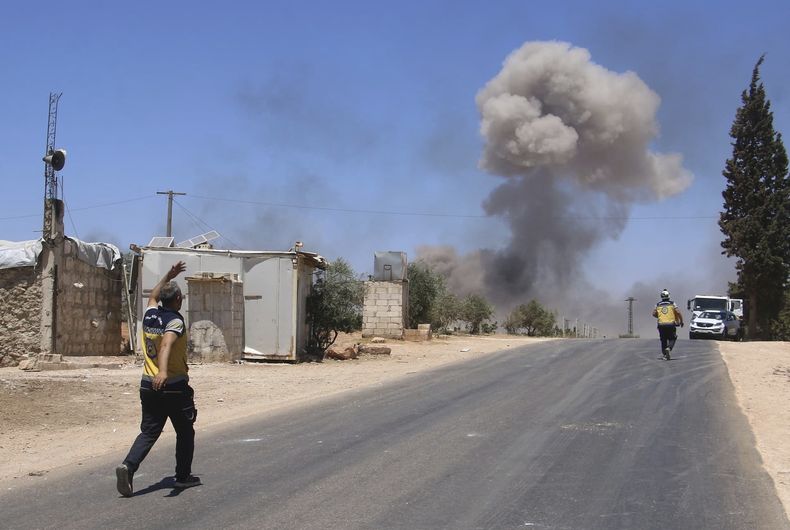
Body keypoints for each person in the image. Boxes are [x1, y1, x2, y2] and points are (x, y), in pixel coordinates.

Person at [116, 261, 201, 497]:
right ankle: (182, 477)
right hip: (172, 386)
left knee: (150, 432)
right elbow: (166, 345)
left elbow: (153, 296)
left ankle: (128, 466)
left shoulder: (151, 315)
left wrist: (168, 275)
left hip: (147, 385)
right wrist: (163, 372)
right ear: (178, 300)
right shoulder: (175, 321)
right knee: (185, 431)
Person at [652, 289, 684, 360]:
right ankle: (669, 348)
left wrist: (660, 316)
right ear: (669, 296)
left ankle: (665, 355)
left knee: (663, 340)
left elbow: (653, 314)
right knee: (673, 338)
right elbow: (678, 312)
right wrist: (681, 321)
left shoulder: (657, 304)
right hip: (670, 324)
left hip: (661, 325)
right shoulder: (672, 303)